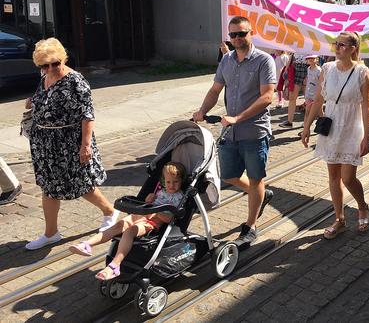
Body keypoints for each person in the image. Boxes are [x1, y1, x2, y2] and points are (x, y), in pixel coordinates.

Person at [26, 38, 118, 250]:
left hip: (70, 142)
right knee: (48, 186)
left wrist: (85, 145)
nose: (50, 68)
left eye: (55, 63)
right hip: (45, 144)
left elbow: (87, 115)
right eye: (44, 65)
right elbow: (47, 97)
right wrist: (33, 101)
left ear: (63, 59)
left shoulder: (76, 81)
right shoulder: (45, 76)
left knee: (81, 184)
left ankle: (110, 212)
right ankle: (51, 233)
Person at [192, 16, 276, 246]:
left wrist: (238, 117)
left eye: (242, 34)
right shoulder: (226, 60)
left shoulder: (264, 60)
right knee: (228, 175)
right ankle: (260, 195)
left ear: (251, 33)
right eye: (233, 35)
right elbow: (215, 89)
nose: (237, 38)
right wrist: (201, 110)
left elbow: (267, 96)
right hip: (231, 131)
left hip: (254, 131)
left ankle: (251, 226)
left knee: (256, 178)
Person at [301, 31, 369, 240]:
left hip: (351, 128)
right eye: (336, 44)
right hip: (331, 128)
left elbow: (367, 108)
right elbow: (318, 99)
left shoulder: (362, 72)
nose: (337, 48)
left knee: (348, 178)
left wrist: (367, 136)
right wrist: (306, 126)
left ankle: (362, 206)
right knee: (333, 176)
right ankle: (339, 219)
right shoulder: (327, 69)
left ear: (353, 48)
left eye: (342, 45)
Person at [69, 162, 187, 280]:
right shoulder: (161, 192)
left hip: (152, 222)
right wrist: (148, 200)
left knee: (129, 231)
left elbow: (170, 218)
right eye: (168, 182)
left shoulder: (179, 197)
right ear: (163, 181)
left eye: (175, 182)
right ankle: (87, 244)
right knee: (119, 225)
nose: (171, 185)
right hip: (140, 215)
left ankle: (115, 265)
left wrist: (156, 210)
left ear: (181, 181)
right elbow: (147, 204)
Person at [280, 54, 309, 127]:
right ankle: (289, 122)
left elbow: (315, 59)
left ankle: (307, 123)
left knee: (309, 100)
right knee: (292, 98)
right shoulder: (296, 46)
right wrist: (286, 73)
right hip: (295, 72)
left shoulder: (310, 45)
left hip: (308, 70)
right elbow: (290, 59)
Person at [303, 54, 322, 123]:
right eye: (308, 58)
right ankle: (305, 127)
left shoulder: (319, 70)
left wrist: (319, 94)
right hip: (309, 93)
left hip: (316, 94)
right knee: (307, 111)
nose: (310, 59)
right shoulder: (308, 69)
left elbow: (321, 82)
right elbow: (308, 80)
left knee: (320, 112)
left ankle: (324, 125)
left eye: (312, 58)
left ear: (316, 59)